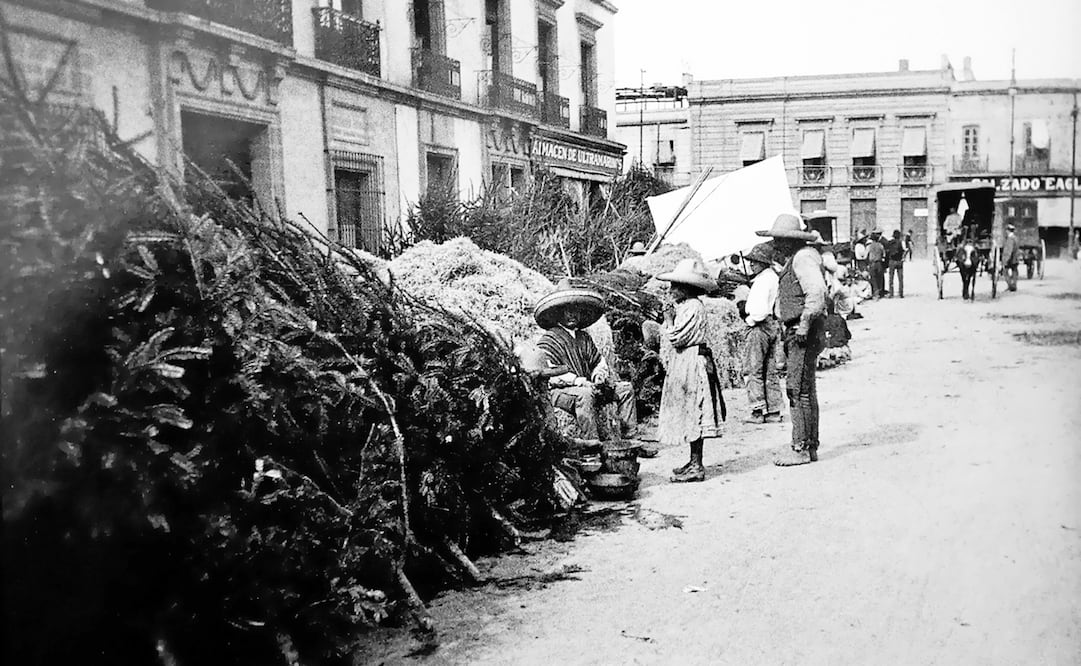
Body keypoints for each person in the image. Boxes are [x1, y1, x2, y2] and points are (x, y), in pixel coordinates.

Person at [533, 281, 643, 447]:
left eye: (575, 310)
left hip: (589, 386)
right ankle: (592, 445)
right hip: (560, 392)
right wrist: (578, 381)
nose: (572, 315)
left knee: (625, 389)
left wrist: (598, 375)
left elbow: (599, 361)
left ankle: (629, 439)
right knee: (584, 395)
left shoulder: (584, 337)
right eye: (567, 311)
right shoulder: (548, 339)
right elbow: (550, 372)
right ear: (558, 314)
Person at [756, 214, 827, 466]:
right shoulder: (796, 259)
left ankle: (800, 448)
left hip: (801, 331)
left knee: (797, 391)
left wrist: (804, 326)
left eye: (779, 240)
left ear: (789, 240)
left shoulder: (802, 258)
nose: (775, 245)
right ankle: (810, 445)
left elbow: (817, 293)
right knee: (805, 390)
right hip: (798, 329)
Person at [656, 258, 727, 482]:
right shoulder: (686, 307)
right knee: (688, 410)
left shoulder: (693, 307)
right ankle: (693, 460)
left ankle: (697, 465)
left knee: (694, 409)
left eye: (674, 287)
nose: (670, 291)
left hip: (692, 362)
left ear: (687, 288)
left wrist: (668, 320)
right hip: (685, 361)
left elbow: (677, 337)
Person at [740, 243, 784, 425]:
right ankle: (774, 409)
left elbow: (759, 310)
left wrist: (749, 321)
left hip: (759, 325)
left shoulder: (762, 281)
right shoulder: (773, 277)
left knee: (753, 368)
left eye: (755, 262)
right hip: (772, 324)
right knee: (770, 369)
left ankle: (757, 410)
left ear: (763, 263)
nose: (751, 265)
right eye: (750, 261)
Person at [885, 229, 905, 298]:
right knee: (900, 278)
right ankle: (901, 293)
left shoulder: (890, 242)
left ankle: (891, 293)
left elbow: (887, 252)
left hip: (892, 261)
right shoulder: (900, 242)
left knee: (891, 278)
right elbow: (903, 251)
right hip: (899, 261)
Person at [866, 231, 886, 299]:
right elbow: (884, 255)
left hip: (872, 263)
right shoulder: (881, 245)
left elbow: (866, 255)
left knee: (873, 278)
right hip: (879, 263)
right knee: (879, 278)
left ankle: (875, 293)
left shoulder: (869, 246)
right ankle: (880, 293)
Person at [1002, 223, 1020, 292]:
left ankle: (1010, 286)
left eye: (1006, 230)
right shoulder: (1016, 238)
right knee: (1014, 271)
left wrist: (1006, 260)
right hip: (1015, 258)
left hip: (1011, 259)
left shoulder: (1010, 239)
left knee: (1005, 272)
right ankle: (1014, 286)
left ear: (1008, 231)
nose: (1006, 232)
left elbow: (1009, 250)